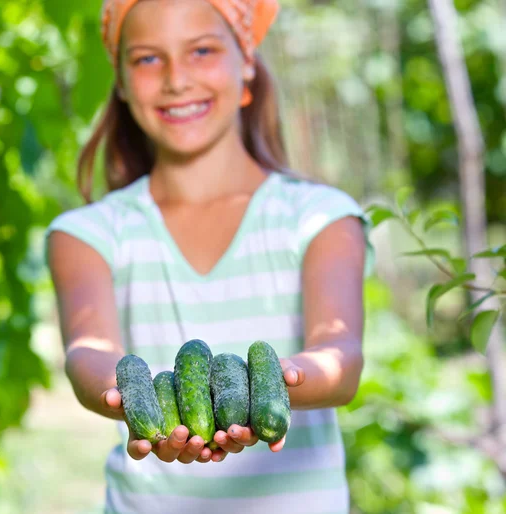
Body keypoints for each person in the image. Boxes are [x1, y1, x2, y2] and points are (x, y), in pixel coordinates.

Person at [44, 0, 375, 512]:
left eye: (201, 50)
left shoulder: (321, 216)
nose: (177, 79)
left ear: (246, 61)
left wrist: (263, 388)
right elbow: (87, 352)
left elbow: (343, 361)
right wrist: (130, 398)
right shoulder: (86, 232)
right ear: (122, 83)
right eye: (148, 59)